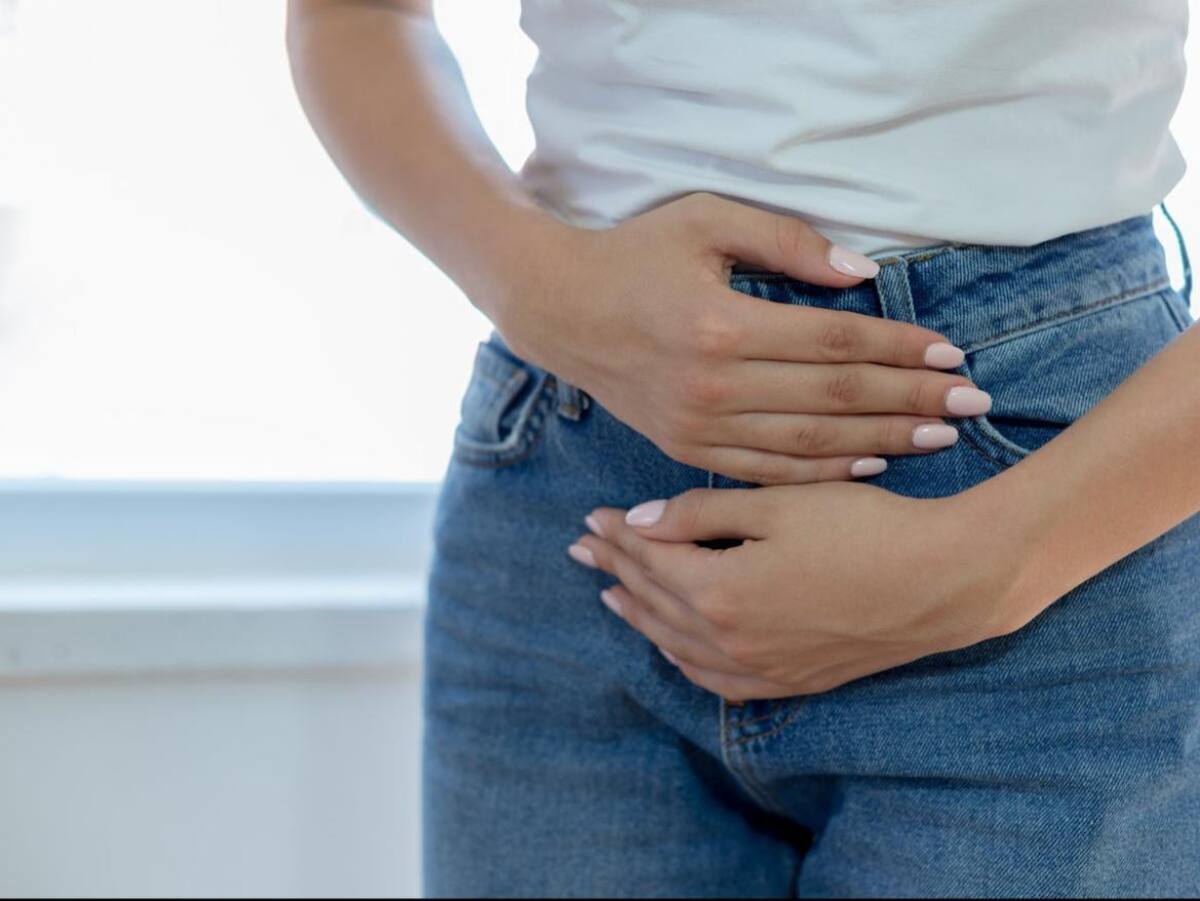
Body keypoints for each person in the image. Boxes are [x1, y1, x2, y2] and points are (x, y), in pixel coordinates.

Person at [286, 1, 1199, 895]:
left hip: (1058, 512)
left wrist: (996, 560)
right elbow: (355, 16)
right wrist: (537, 290)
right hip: (569, 505)